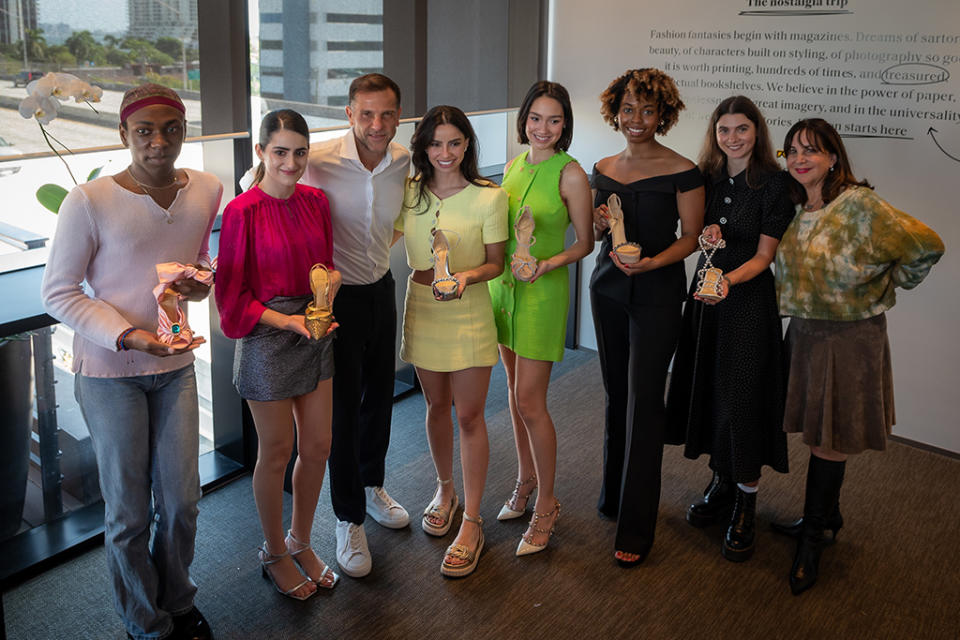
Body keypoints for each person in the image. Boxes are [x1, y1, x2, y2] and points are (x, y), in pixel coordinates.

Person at [42, 84, 220, 640]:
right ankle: (146, 623)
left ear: (184, 131)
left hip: (174, 369)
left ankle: (177, 598)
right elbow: (59, 293)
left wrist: (199, 284)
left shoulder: (207, 189)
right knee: (129, 514)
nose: (158, 142)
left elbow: (201, 260)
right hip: (109, 374)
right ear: (123, 134)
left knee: (183, 502)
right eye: (145, 131)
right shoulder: (89, 201)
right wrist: (128, 335)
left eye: (171, 128)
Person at [773, 118, 943, 594]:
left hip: (850, 338)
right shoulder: (795, 208)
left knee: (832, 436)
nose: (800, 158)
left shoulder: (860, 205)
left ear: (833, 157)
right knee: (816, 429)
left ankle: (812, 535)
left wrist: (886, 285)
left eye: (811, 149)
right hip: (805, 332)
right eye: (792, 150)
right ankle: (826, 515)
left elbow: (925, 245)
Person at [216, 109, 342, 600]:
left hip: (314, 331)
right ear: (261, 153)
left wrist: (330, 289)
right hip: (267, 336)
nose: (291, 163)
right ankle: (272, 551)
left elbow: (327, 267)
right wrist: (288, 321)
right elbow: (232, 297)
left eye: (300, 153)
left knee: (318, 447)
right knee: (275, 454)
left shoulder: (316, 201)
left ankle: (301, 540)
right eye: (280, 153)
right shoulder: (242, 211)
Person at [665, 96, 793, 562]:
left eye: (742, 129)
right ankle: (721, 481)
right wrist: (706, 239)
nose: (733, 138)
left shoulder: (774, 185)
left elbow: (764, 257)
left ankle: (746, 500)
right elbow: (698, 233)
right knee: (710, 390)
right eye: (724, 130)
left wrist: (726, 282)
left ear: (756, 132)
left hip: (746, 300)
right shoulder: (708, 177)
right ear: (714, 134)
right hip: (707, 298)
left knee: (741, 398)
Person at [589, 68, 705, 567]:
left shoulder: (683, 170)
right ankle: (614, 495)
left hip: (657, 291)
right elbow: (597, 236)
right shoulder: (602, 166)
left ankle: (636, 526)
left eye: (648, 110)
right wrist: (597, 222)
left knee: (645, 401)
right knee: (617, 393)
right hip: (608, 289)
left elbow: (693, 236)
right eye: (628, 109)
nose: (637, 119)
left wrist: (656, 262)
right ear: (616, 112)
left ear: (664, 114)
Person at [300, 74, 411, 578]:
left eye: (387, 114)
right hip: (336, 300)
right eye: (366, 113)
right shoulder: (317, 160)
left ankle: (371, 485)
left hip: (382, 288)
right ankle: (347, 518)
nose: (376, 124)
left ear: (398, 116)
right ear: (348, 113)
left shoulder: (404, 159)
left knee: (379, 397)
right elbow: (258, 189)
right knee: (342, 410)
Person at [394, 105, 507, 577]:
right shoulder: (409, 192)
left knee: (470, 415)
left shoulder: (489, 196)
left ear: (467, 145)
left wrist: (466, 276)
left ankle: (474, 521)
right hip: (422, 307)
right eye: (435, 144)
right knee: (435, 407)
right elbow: (374, 233)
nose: (445, 153)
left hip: (468, 309)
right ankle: (446, 489)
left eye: (454, 143)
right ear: (423, 147)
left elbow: (496, 263)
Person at [487, 81, 593, 555]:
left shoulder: (570, 174)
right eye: (535, 118)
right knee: (512, 394)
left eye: (553, 120)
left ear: (565, 123)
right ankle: (525, 479)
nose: (542, 128)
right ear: (524, 119)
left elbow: (585, 243)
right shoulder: (512, 165)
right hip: (504, 289)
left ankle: (547, 503)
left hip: (543, 291)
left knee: (531, 401)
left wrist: (547, 264)